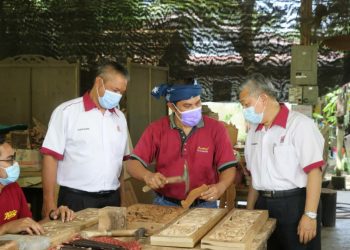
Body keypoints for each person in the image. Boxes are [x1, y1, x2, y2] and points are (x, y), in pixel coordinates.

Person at [239, 74, 324, 250]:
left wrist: (310, 214)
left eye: (246, 104)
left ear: (263, 98)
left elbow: (314, 173)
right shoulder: (254, 131)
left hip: (295, 205)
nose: (244, 110)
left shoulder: (300, 125)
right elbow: (256, 178)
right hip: (263, 205)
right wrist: (249, 211)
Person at [127, 79, 237, 208]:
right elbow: (132, 164)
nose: (195, 109)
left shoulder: (216, 129)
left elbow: (228, 167)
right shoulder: (156, 129)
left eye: (197, 103)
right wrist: (147, 176)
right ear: (172, 106)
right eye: (187, 105)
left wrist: (221, 186)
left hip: (204, 205)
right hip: (165, 204)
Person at [41, 61, 130, 217]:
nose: (118, 96)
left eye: (122, 92)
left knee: (113, 241)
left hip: (112, 199)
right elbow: (50, 158)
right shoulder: (66, 112)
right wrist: (49, 202)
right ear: (98, 82)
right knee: (75, 241)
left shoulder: (119, 117)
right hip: (76, 200)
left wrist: (123, 201)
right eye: (115, 90)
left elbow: (120, 163)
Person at [0, 131, 74, 236]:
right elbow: (12, 227)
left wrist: (53, 216)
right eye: (9, 160)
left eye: (14, 158)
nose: (15, 164)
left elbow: (29, 226)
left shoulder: (13, 188)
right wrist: (5, 228)